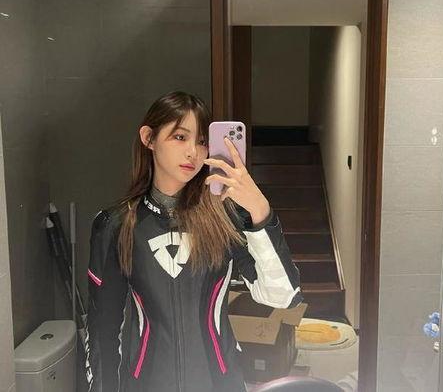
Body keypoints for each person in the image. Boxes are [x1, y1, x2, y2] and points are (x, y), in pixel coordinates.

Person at [84, 91, 303, 392]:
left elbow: (283, 297)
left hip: (220, 384)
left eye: (201, 141)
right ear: (149, 138)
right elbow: (102, 332)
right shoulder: (115, 225)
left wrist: (260, 212)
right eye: (180, 137)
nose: (193, 153)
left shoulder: (225, 217)